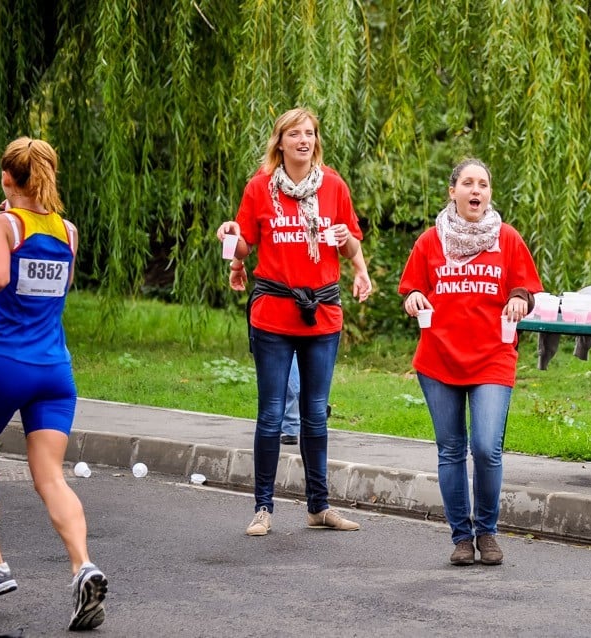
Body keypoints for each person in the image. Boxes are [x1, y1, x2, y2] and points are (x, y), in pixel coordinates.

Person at [0, 137, 108, 630]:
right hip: (56, 370)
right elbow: (60, 288)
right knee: (51, 476)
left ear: (8, 178)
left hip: (6, 363)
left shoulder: (1, 224)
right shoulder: (68, 231)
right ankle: (83, 566)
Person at [217, 107, 364, 535]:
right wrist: (231, 238)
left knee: (315, 414)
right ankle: (263, 507)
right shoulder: (259, 189)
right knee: (270, 415)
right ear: (279, 142)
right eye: (295, 134)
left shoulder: (334, 186)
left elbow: (352, 241)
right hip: (274, 315)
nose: (304, 140)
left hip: (322, 315)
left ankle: (319, 507)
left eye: (310, 134)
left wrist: (356, 263)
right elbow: (245, 247)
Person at [398, 158, 543, 566]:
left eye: (483, 183)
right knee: (450, 450)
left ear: (489, 194)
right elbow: (411, 289)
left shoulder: (507, 238)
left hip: (492, 357)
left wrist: (519, 298)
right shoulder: (431, 240)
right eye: (467, 183)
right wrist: (413, 300)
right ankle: (462, 538)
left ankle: (488, 532)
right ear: (453, 192)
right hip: (439, 359)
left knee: (485, 447)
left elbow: (526, 288)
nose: (475, 190)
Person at [229, 248, 372, 447]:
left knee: (293, 367)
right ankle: (295, 421)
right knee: (293, 370)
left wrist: (360, 270)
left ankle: (294, 421)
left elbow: (349, 238)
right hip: (286, 301)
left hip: (307, 302)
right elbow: (246, 238)